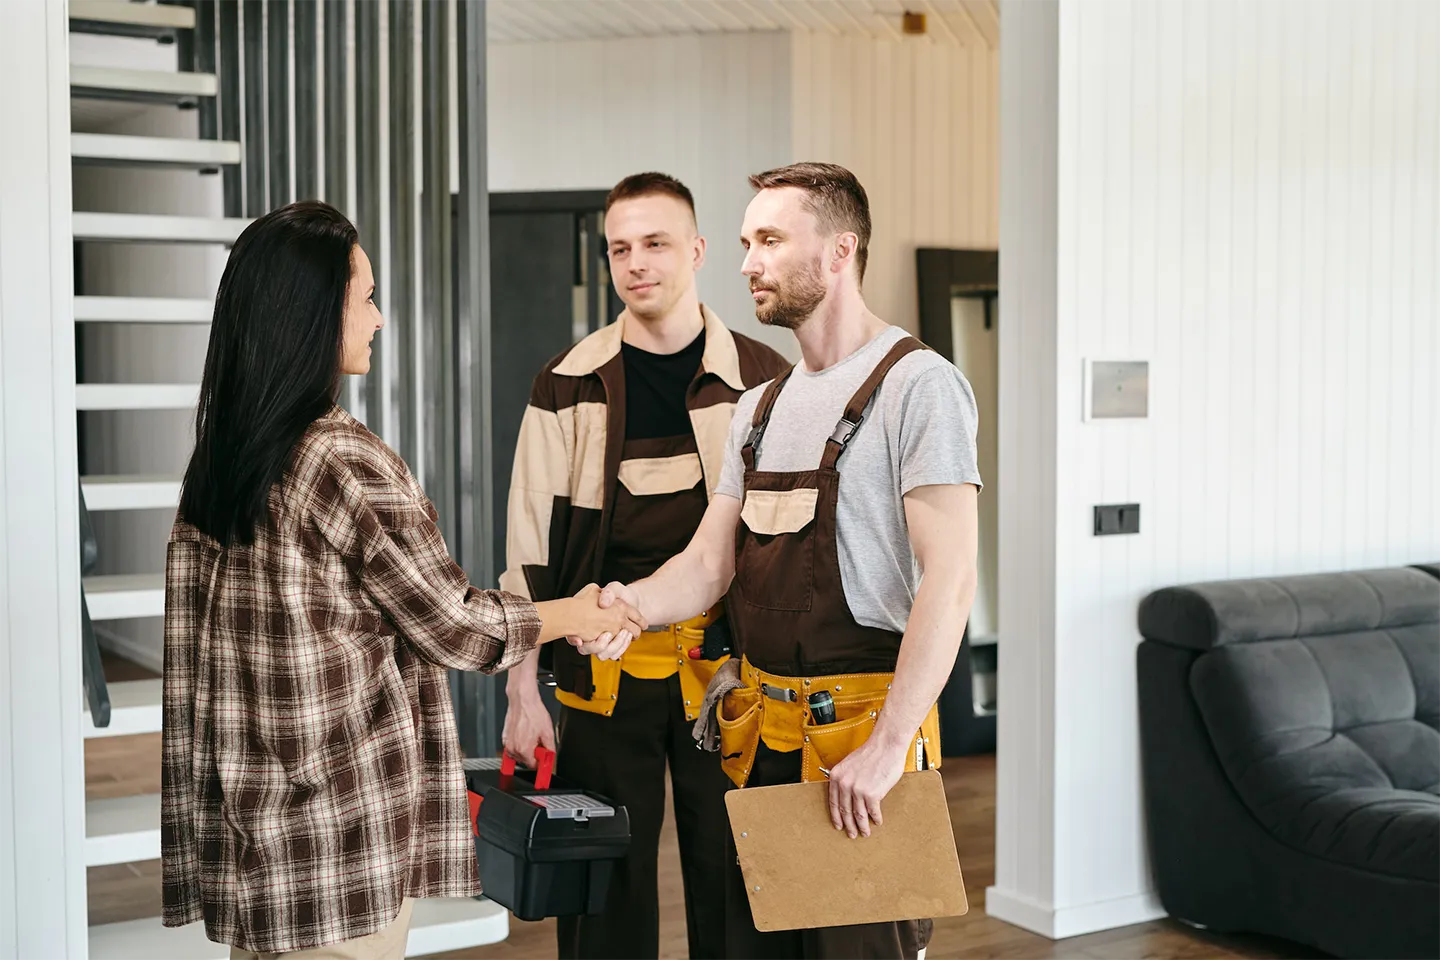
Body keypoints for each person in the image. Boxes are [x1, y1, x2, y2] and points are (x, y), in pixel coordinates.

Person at [160, 200, 644, 960]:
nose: (380, 319)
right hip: (340, 833)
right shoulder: (341, 458)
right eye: (368, 298)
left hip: (257, 826)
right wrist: (574, 615)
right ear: (318, 313)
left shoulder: (221, 457)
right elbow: (456, 624)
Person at [598, 162, 982, 960]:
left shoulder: (920, 386)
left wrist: (885, 749)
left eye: (769, 239)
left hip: (859, 754)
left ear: (840, 253)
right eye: (744, 242)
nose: (746, 263)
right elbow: (708, 565)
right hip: (761, 744)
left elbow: (950, 581)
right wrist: (627, 604)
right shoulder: (759, 408)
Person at [499, 172, 789, 960]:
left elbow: (782, 547)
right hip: (600, 677)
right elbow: (527, 551)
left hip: (728, 679)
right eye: (620, 248)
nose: (637, 263)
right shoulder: (564, 383)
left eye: (656, 243)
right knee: (604, 894)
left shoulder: (764, 379)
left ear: (696, 250)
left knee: (734, 883)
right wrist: (523, 690)